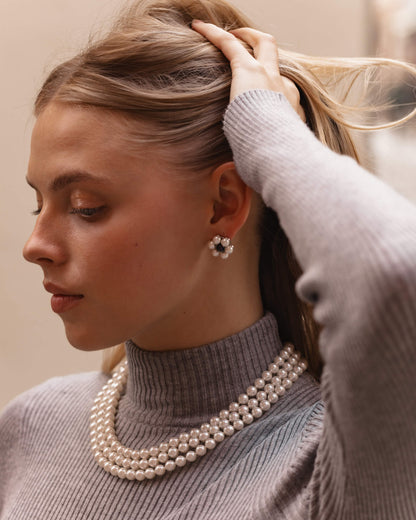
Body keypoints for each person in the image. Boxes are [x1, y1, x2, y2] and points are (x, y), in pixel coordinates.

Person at [1, 0, 415, 518]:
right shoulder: (31, 428)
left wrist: (266, 132)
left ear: (224, 204)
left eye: (87, 207)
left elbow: (393, 273)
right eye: (38, 204)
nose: (35, 244)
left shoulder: (327, 469)